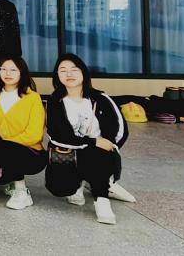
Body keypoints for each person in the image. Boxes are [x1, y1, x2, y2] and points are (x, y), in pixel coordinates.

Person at [45, 54, 130, 225]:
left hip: (99, 155)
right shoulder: (55, 101)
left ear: (83, 72)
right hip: (69, 154)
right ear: (57, 76)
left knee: (99, 156)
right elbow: (56, 135)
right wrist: (93, 141)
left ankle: (102, 199)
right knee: (59, 188)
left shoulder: (101, 98)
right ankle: (81, 183)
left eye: (74, 69)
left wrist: (111, 147)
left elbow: (120, 129)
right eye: (63, 70)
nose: (69, 74)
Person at [0, 57, 46, 210]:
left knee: (10, 149)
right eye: (3, 69)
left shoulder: (32, 97)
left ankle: (21, 191)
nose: (7, 73)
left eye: (13, 70)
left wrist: (4, 144)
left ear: (21, 72)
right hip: (0, 149)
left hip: (31, 153)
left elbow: (35, 134)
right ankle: (11, 181)